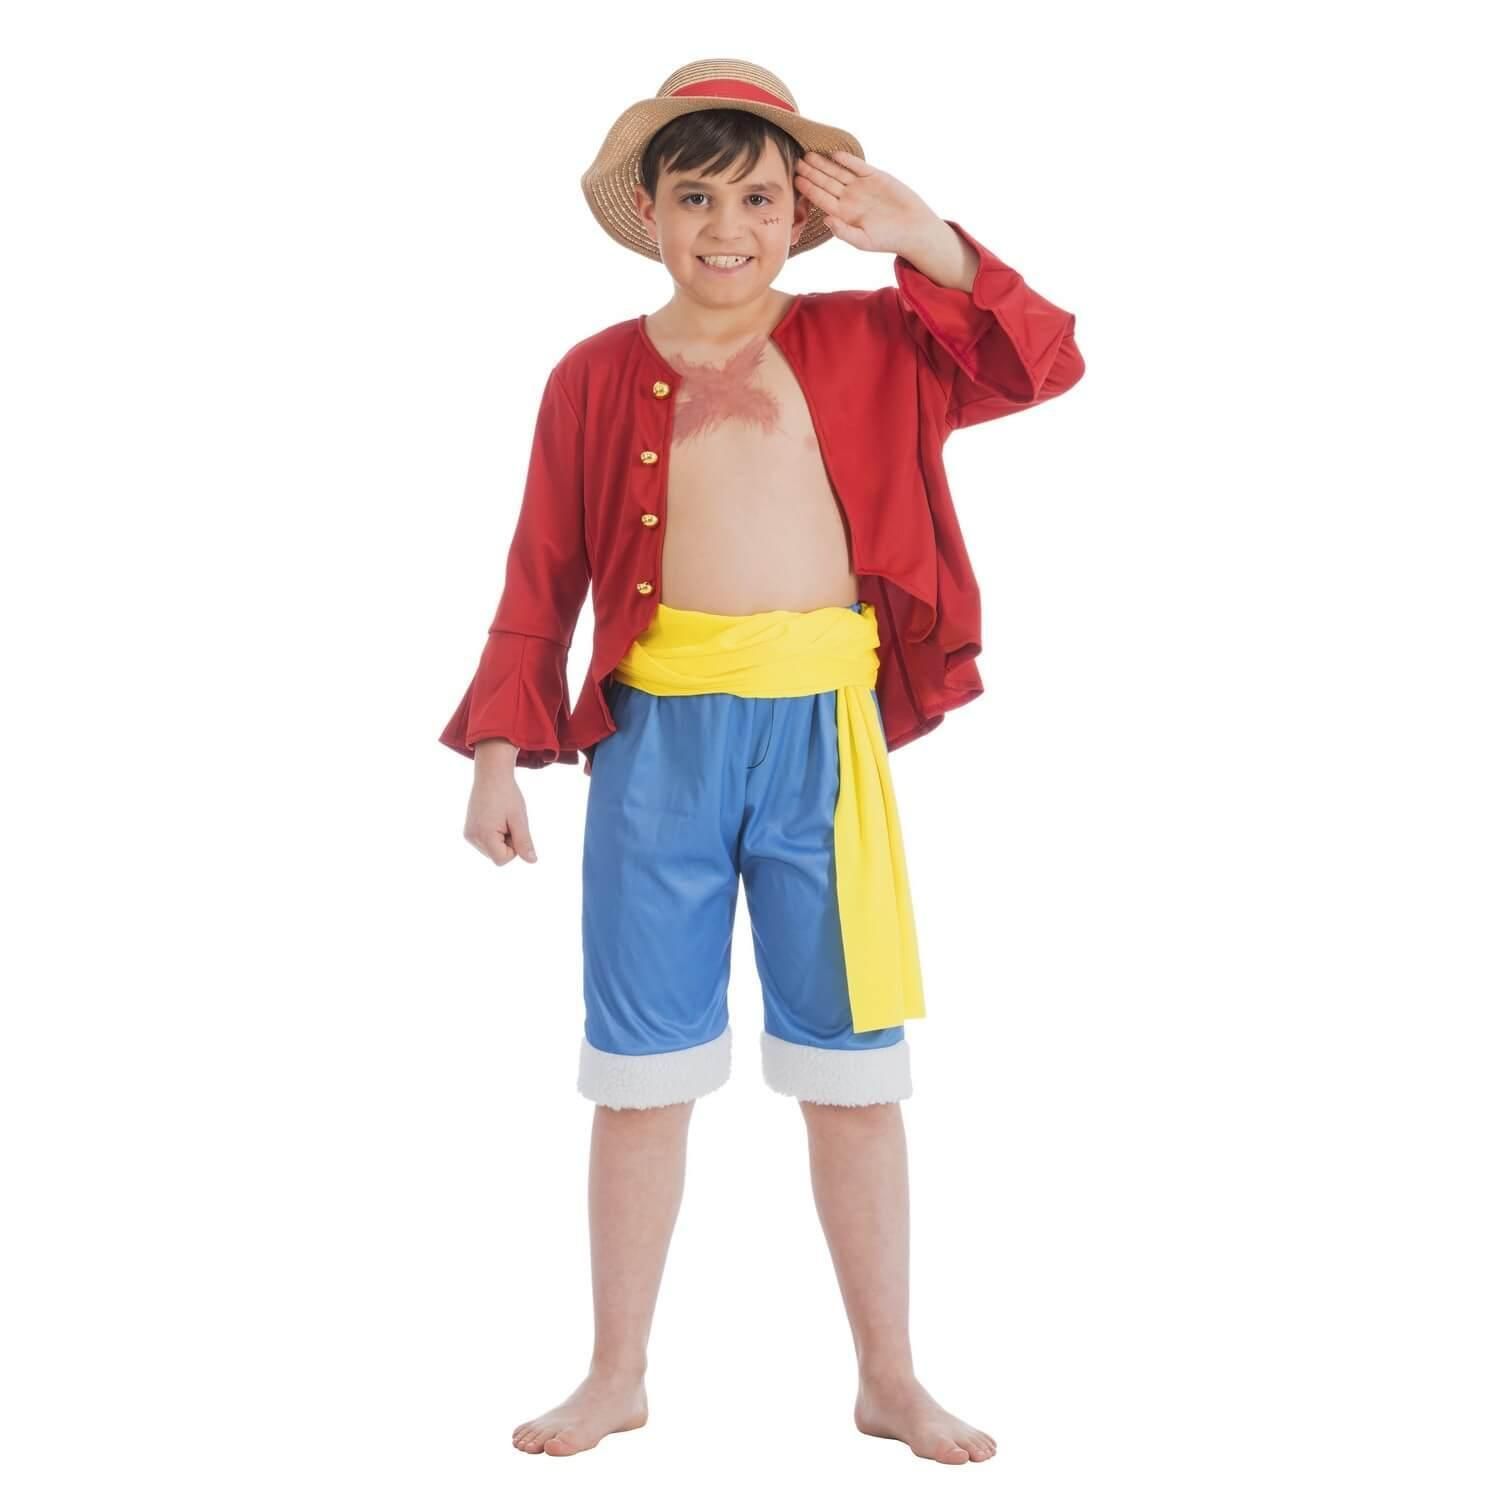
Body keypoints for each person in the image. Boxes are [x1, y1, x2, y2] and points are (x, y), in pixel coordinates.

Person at [439, 59, 1085, 1463]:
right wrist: (496, 749)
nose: (725, 226)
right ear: (650, 213)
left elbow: (1040, 362)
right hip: (654, 749)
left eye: (757, 198)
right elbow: (541, 571)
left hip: (821, 751)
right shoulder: (593, 373)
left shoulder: (876, 337)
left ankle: (890, 1378)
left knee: (854, 1073)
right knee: (640, 1072)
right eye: (695, 198)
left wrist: (924, 238)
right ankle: (616, 1372)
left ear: (803, 214)